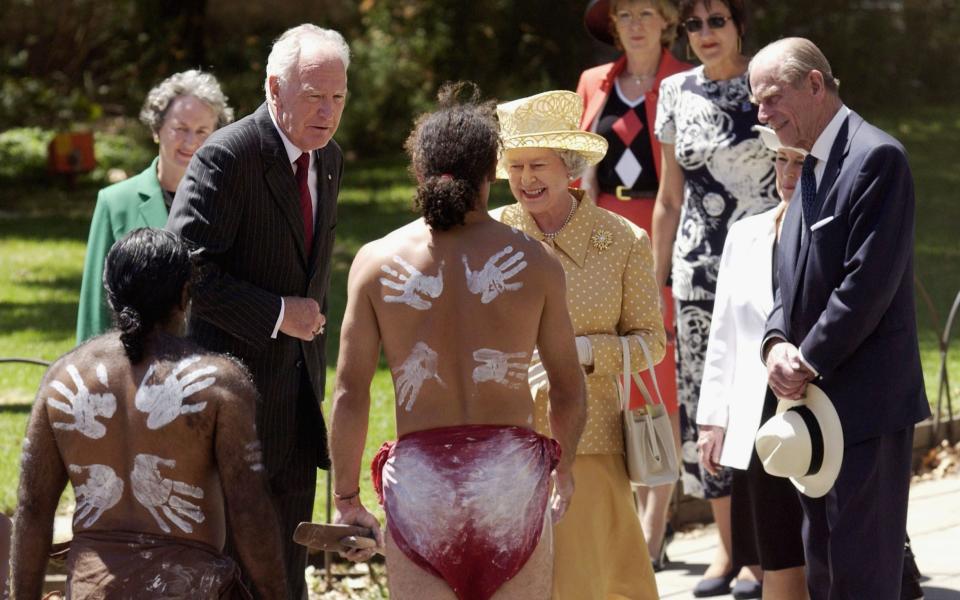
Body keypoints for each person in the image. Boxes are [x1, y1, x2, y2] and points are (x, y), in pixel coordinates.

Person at [328, 82, 587, 600]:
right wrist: (567, 469)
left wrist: (346, 497)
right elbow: (567, 386)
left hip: (421, 485)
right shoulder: (535, 263)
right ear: (491, 171)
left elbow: (351, 393)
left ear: (418, 172)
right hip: (511, 480)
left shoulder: (377, 263)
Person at [166, 24, 349, 599]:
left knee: (284, 578)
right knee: (228, 574)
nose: (328, 111)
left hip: (295, 406)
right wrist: (276, 313)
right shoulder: (229, 155)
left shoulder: (329, 159)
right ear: (275, 87)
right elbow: (186, 268)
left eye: (338, 98)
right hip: (229, 406)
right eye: (314, 95)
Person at [11, 228, 286, 599]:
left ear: (111, 293)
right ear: (184, 295)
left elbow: (32, 509)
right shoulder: (219, 383)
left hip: (95, 589)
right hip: (191, 588)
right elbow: (248, 507)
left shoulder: (63, 381)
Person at [750, 37, 930, 599]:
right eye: (757, 102)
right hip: (812, 409)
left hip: (864, 406)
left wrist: (805, 359)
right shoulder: (809, 164)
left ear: (814, 85)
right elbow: (789, 276)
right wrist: (776, 342)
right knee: (825, 570)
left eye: (772, 97)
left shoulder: (877, 158)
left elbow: (866, 286)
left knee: (863, 573)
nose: (762, 114)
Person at [495, 89, 664, 599]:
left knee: (588, 582)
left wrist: (586, 352)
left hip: (591, 441)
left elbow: (652, 343)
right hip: (505, 440)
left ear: (568, 166)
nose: (525, 180)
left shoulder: (624, 240)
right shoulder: (493, 234)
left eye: (538, 165)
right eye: (516, 166)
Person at [652, 0, 777, 594]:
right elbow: (669, 198)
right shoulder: (675, 90)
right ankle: (727, 553)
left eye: (716, 21)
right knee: (708, 409)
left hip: (763, 266)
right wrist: (654, 282)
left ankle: (765, 552)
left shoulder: (767, 81)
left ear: (740, 25)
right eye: (693, 24)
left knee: (762, 401)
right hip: (698, 271)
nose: (703, 34)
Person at [577, 0, 691, 569]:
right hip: (604, 232)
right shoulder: (593, 82)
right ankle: (616, 516)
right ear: (615, 26)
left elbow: (682, 182)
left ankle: (653, 526)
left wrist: (661, 267)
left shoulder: (683, 80)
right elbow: (582, 170)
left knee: (658, 377)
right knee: (609, 373)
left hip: (662, 231)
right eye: (626, 14)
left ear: (667, 21)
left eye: (648, 11)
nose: (638, 23)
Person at [695, 126, 808, 600]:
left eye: (800, 161)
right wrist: (712, 419)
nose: (787, 172)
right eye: (780, 160)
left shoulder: (834, 233)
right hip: (759, 413)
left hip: (819, 406)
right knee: (777, 548)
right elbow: (722, 330)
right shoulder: (745, 233)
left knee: (822, 550)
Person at [77, 69, 233, 343]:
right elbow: (95, 305)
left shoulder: (230, 200)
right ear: (156, 129)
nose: (190, 142)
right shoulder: (115, 202)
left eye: (202, 131)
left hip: (211, 362)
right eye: (180, 129)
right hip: (136, 362)